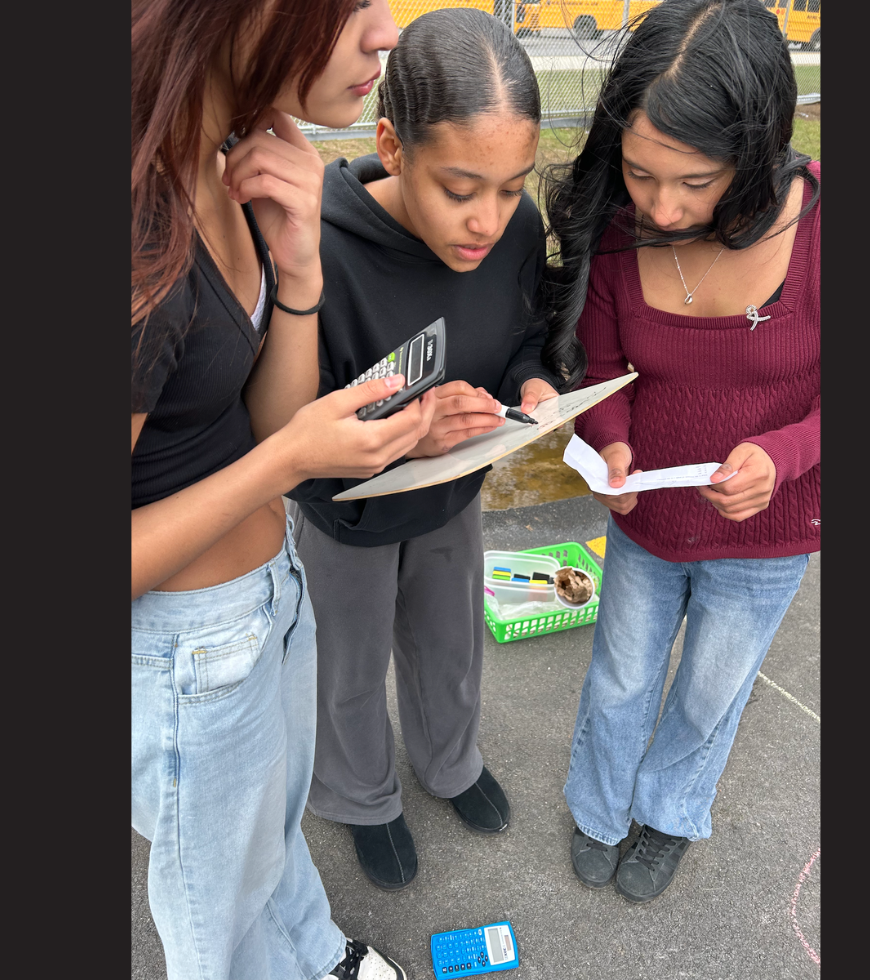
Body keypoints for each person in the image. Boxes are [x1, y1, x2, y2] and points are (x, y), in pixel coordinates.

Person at [131, 1, 433, 977]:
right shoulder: (139, 217)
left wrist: (298, 265)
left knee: (276, 832)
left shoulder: (235, 145)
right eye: (350, 4)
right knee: (212, 921)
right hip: (189, 656)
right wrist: (288, 461)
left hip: (271, 597)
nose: (385, 33)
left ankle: (314, 951)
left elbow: (267, 420)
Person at [540, 0, 820, 904]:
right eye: (638, 173)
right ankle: (598, 808)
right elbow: (603, 361)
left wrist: (784, 454)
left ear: (758, 147)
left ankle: (668, 814)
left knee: (710, 693)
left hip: (773, 530)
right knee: (621, 673)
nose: (660, 206)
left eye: (695, 181)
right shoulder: (620, 226)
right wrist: (609, 446)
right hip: (648, 517)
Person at [284, 7, 560, 892]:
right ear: (392, 146)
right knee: (350, 665)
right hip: (347, 514)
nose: (488, 219)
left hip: (453, 494)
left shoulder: (515, 230)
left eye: (512, 186)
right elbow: (289, 431)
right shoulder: (317, 249)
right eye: (461, 187)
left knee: (449, 645)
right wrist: (405, 431)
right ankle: (360, 796)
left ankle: (450, 763)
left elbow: (523, 333)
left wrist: (534, 383)